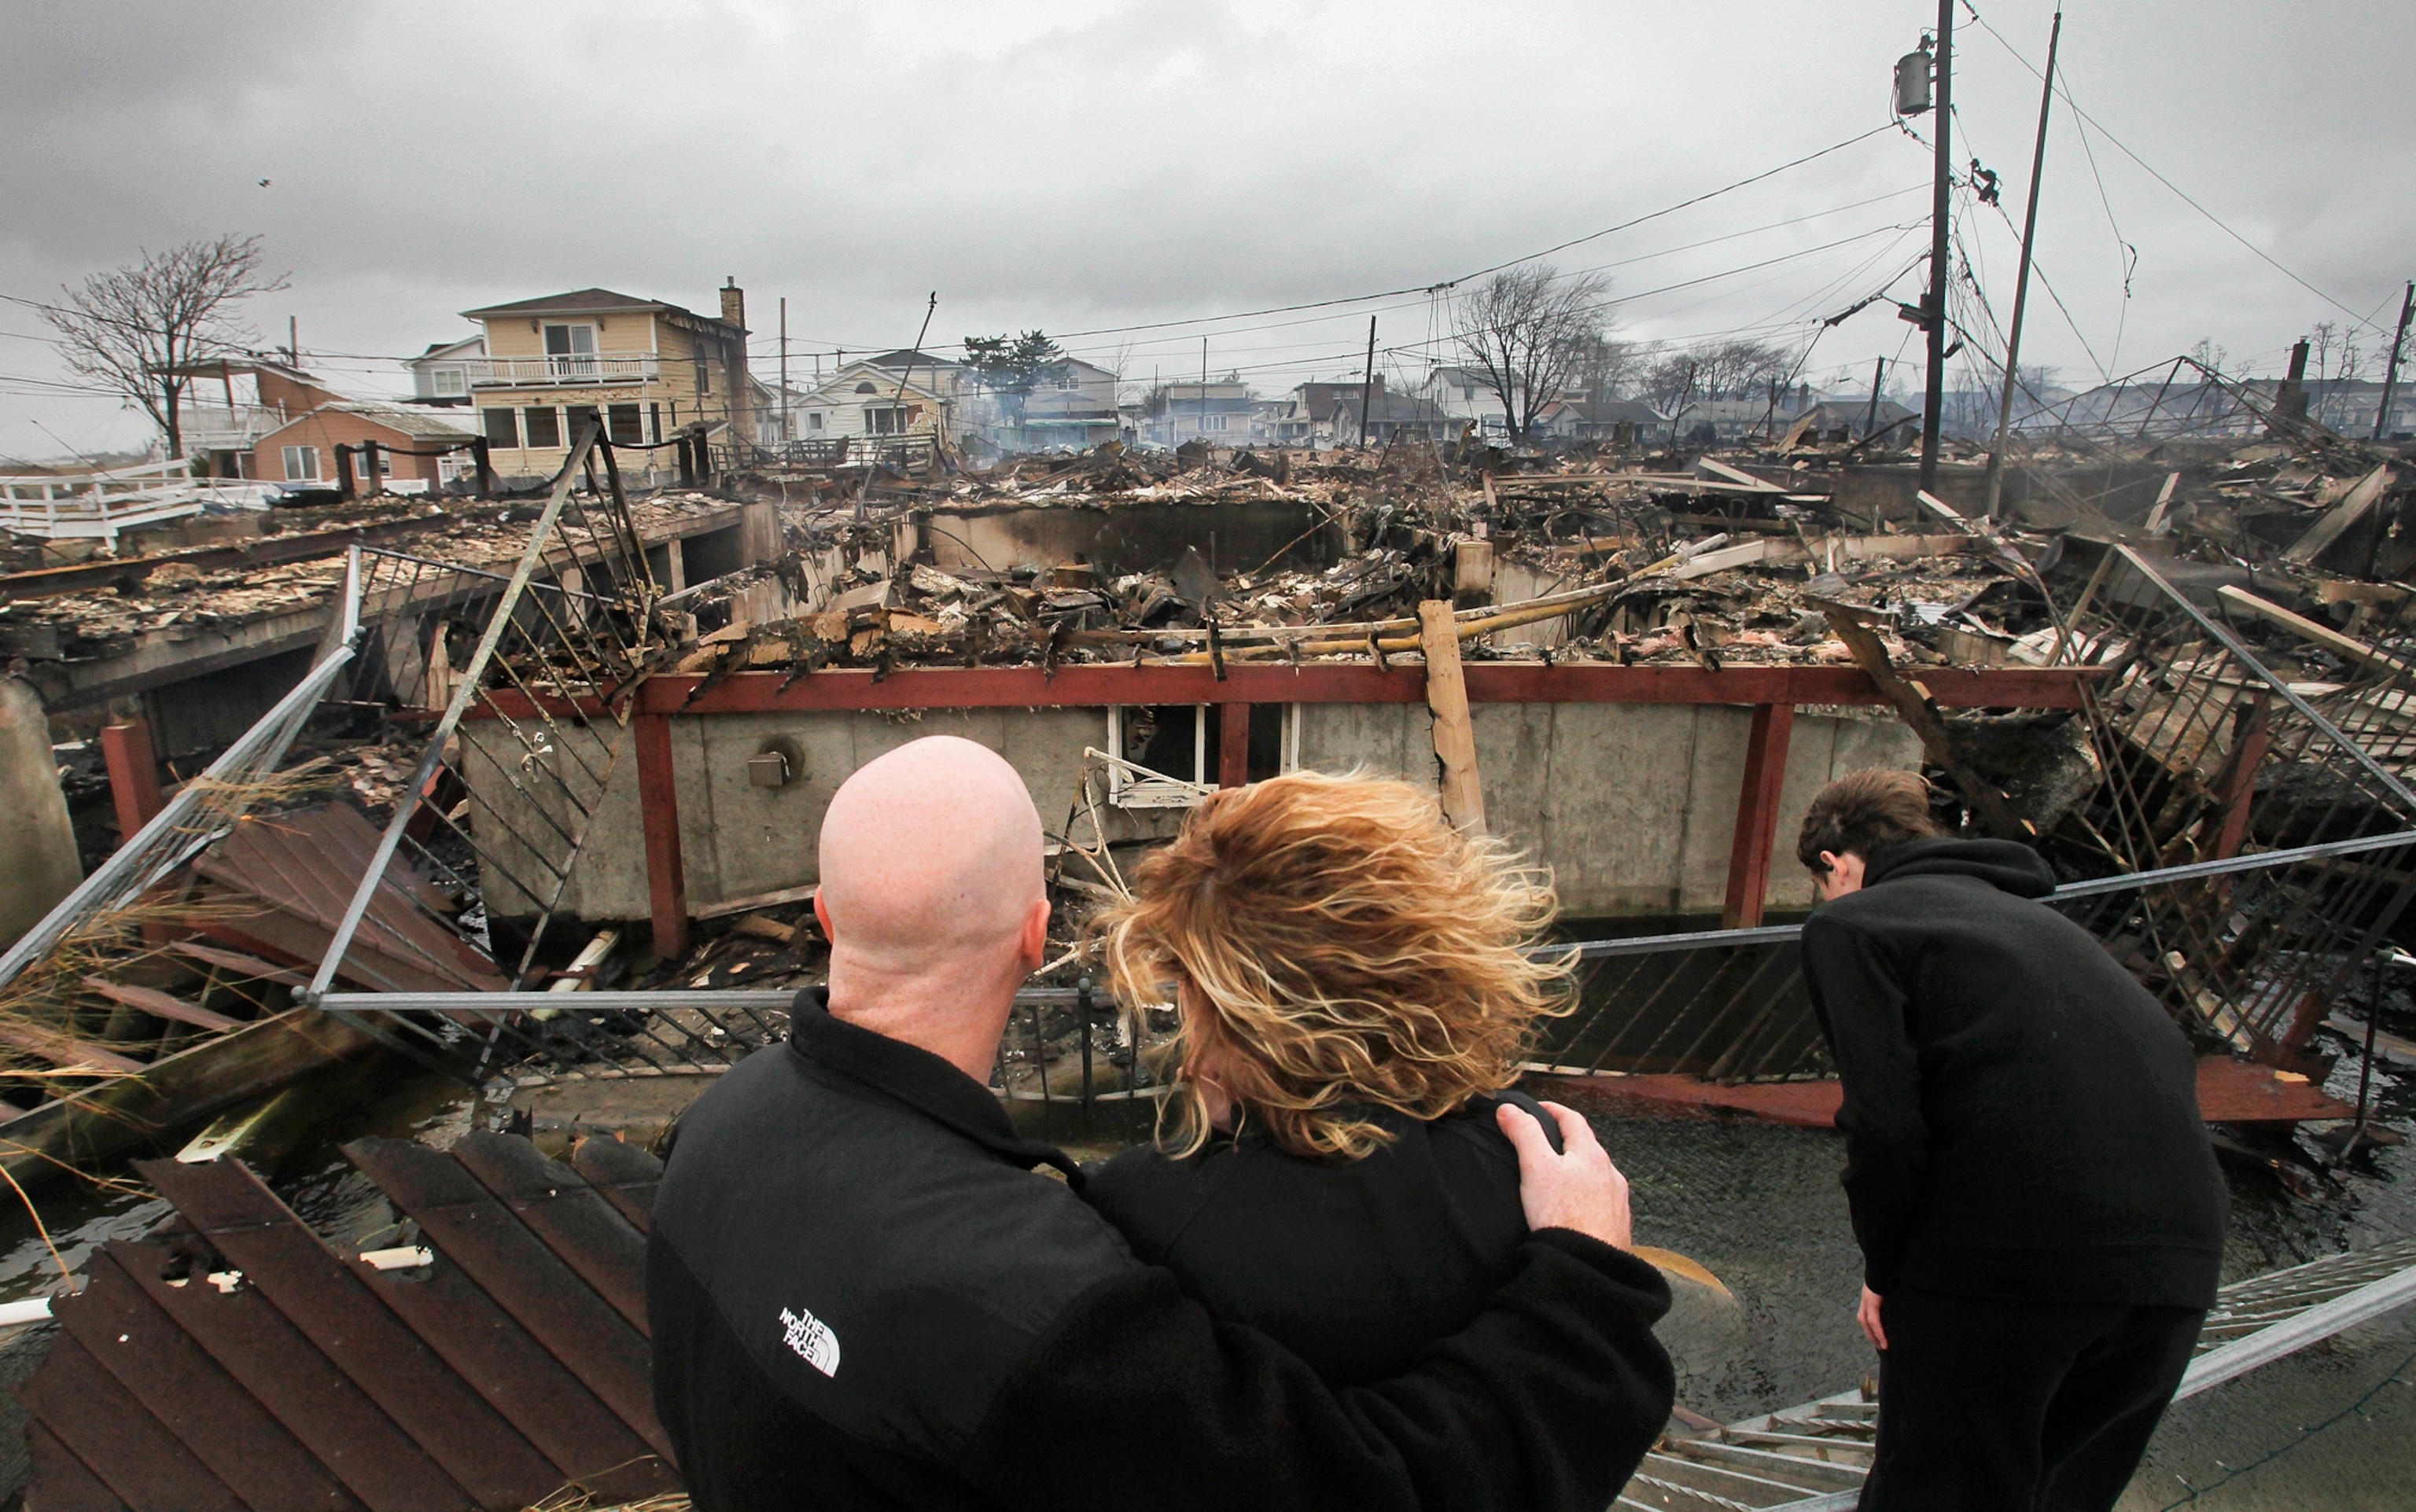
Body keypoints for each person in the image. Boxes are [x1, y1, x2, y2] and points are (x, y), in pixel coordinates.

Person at [648, 737, 1677, 1512]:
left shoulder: (715, 1130)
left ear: (825, 916)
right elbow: (1378, 1488)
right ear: (1036, 929)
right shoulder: (1035, 1295)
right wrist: (1584, 1283)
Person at [1081, 769, 1674, 1424]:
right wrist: (1591, 1264)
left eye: (1186, 993)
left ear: (1240, 1009)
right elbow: (1614, 1402)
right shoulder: (1539, 1161)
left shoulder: (1141, 1212)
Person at [1793, 768, 2230, 1512]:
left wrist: (1886, 1267)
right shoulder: (2050, 928)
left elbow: (1885, 1123)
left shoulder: (1854, 924)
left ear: (1836, 862)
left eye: (1822, 882)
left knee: (1935, 1493)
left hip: (2012, 1263)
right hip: (2179, 1267)